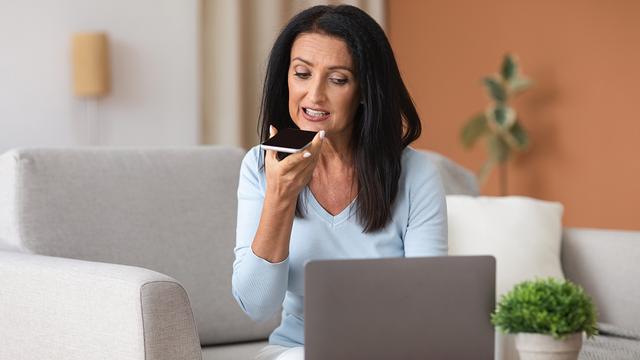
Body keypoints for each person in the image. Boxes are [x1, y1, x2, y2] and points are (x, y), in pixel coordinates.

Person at [232, 5, 448, 360]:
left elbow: (430, 303)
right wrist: (280, 197)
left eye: (337, 79)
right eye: (302, 73)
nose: (314, 95)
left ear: (365, 90)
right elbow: (256, 305)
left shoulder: (416, 174)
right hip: (299, 352)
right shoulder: (259, 165)